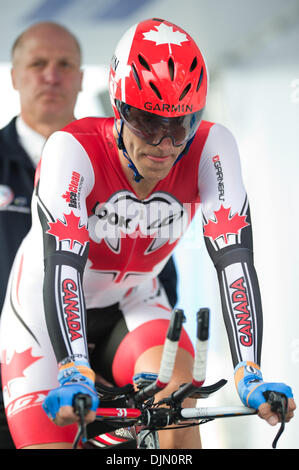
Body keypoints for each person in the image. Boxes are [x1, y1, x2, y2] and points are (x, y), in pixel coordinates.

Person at [0, 18, 295, 450]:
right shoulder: (71, 148)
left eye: (181, 125)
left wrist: (249, 371)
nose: (163, 144)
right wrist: (72, 368)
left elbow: (234, 261)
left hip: (134, 301)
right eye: (145, 121)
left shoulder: (214, 148)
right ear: (118, 106)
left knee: (177, 408)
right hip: (43, 315)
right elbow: (63, 267)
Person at [0, 20, 178, 449]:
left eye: (65, 64)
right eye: (37, 63)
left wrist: (137, 358)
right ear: (14, 75)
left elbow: (155, 267)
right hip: (19, 364)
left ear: (82, 78)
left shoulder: (136, 156)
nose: (51, 75)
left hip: (111, 374)